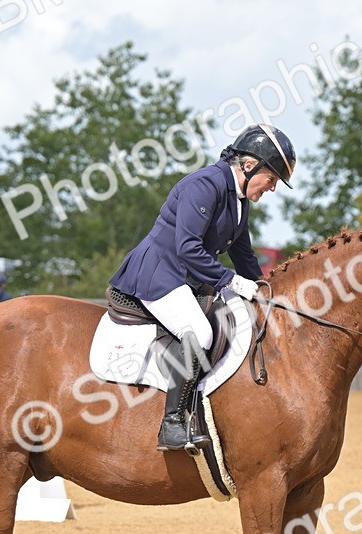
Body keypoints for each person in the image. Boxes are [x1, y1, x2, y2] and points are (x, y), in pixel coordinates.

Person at [109, 123, 297, 451]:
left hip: (187, 276)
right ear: (251, 165)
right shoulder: (205, 184)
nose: (272, 188)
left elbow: (243, 254)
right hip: (158, 273)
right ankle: (172, 423)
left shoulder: (238, 200)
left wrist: (266, 291)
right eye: (272, 180)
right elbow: (187, 247)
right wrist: (230, 280)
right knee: (199, 331)